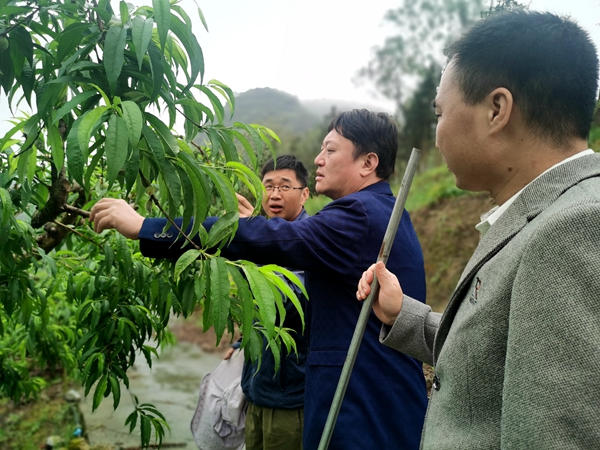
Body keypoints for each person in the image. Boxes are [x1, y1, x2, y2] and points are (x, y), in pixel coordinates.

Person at [90, 109, 429, 449]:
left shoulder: (359, 215)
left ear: (368, 162)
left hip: (363, 414)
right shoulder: (379, 213)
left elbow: (270, 238)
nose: (318, 159)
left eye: (330, 149)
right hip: (366, 403)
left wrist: (146, 227)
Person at [356, 10, 600, 449]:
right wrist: (403, 315)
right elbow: (495, 362)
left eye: (441, 113)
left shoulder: (572, 228)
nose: (437, 136)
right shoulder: (543, 215)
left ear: (496, 109)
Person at [225, 155, 310, 450]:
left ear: (305, 194)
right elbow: (258, 309)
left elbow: (286, 305)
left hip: (290, 400)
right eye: (268, 186)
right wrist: (240, 343)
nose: (274, 195)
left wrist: (253, 238)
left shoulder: (309, 240)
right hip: (257, 390)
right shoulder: (262, 236)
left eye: (285, 187)